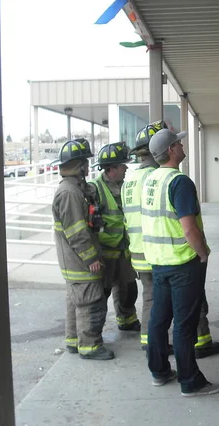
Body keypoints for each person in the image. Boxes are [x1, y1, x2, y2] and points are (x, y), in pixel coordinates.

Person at [141, 128, 219, 397]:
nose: (181, 145)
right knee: (184, 325)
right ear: (170, 151)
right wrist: (202, 253)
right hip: (182, 263)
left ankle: (159, 371)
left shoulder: (150, 180)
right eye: (177, 143)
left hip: (158, 261)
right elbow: (189, 229)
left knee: (158, 320)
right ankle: (190, 381)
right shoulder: (179, 182)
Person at [52, 138, 114, 360]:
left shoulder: (74, 189)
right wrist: (91, 258)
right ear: (79, 166)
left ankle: (73, 340)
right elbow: (77, 231)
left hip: (72, 259)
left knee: (75, 299)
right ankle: (90, 346)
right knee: (90, 301)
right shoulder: (69, 193)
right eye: (85, 163)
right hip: (79, 260)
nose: (88, 167)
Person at [122, 121, 172, 352]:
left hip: (138, 248)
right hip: (154, 249)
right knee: (154, 299)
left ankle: (151, 340)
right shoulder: (153, 177)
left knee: (150, 296)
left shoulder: (130, 179)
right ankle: (151, 341)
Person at [89, 142, 140, 332]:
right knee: (102, 293)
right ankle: (94, 333)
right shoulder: (94, 189)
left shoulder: (127, 186)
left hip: (124, 251)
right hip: (105, 253)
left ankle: (127, 320)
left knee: (128, 289)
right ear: (111, 169)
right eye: (122, 165)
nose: (126, 167)